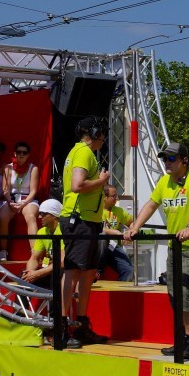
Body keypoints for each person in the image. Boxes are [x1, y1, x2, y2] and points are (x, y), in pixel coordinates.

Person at [123, 142, 189, 361]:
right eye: (165, 159)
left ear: (184, 161)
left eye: (171, 159)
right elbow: (150, 206)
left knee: (187, 295)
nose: (167, 163)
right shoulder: (164, 182)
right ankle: (181, 340)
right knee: (175, 296)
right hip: (176, 246)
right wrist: (135, 227)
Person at [58, 117, 110, 345]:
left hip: (89, 220)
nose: (105, 137)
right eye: (103, 132)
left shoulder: (82, 152)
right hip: (78, 220)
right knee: (73, 272)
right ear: (95, 132)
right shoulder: (83, 153)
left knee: (88, 273)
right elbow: (77, 185)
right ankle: (62, 328)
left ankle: (80, 325)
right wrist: (102, 181)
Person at [0, 141, 41, 261]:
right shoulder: (8, 167)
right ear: (14, 153)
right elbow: (5, 189)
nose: (21, 155)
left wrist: (23, 204)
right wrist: (10, 202)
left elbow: (33, 191)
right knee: (2, 217)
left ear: (28, 155)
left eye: (24, 153)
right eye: (19, 152)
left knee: (31, 216)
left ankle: (35, 253)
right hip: (11, 198)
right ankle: (3, 250)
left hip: (27, 199)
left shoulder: (33, 168)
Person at [21, 199, 64, 289]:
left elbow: (62, 262)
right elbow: (34, 258)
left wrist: (37, 274)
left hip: (67, 272)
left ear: (54, 216)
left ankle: (55, 303)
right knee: (24, 276)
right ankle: (19, 304)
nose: (40, 217)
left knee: (57, 273)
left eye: (43, 214)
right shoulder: (42, 232)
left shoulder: (64, 231)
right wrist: (30, 272)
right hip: (53, 270)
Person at [99, 185, 134, 281]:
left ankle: (121, 293)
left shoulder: (119, 211)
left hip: (113, 247)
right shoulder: (95, 210)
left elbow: (131, 222)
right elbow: (96, 228)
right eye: (114, 196)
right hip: (96, 248)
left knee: (129, 270)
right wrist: (114, 232)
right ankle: (97, 269)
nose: (117, 198)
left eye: (117, 196)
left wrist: (130, 231)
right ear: (105, 197)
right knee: (102, 236)